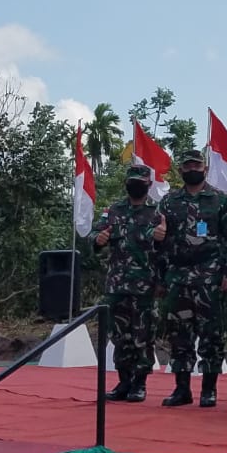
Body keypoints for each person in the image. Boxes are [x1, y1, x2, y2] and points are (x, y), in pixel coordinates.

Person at [158, 149, 227, 408]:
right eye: (187, 165)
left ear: (205, 168)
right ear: (181, 170)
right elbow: (160, 240)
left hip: (210, 276)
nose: (192, 169)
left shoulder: (220, 200)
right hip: (178, 278)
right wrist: (161, 277)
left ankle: (209, 389)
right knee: (179, 336)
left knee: (211, 335)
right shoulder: (169, 202)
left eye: (197, 165)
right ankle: (182, 389)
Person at [90, 165, 166, 403]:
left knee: (143, 335)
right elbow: (96, 236)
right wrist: (98, 239)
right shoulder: (113, 210)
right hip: (117, 285)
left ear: (149, 185)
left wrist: (161, 280)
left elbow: (166, 252)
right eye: (132, 180)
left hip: (145, 285)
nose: (136, 184)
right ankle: (124, 381)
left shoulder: (157, 214)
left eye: (141, 181)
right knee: (119, 335)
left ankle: (139, 383)